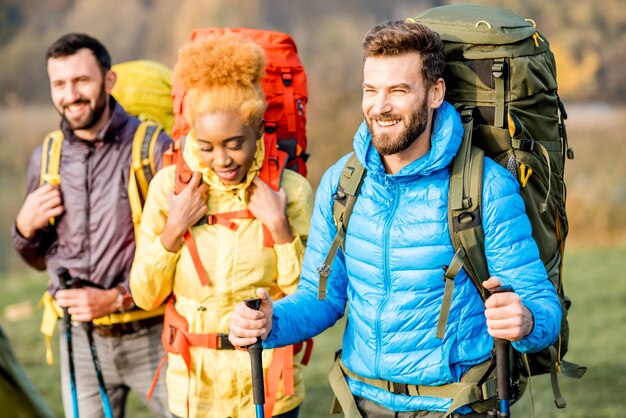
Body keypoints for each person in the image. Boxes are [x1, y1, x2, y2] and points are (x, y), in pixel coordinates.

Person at [229, 20, 562, 417]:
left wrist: (524, 320)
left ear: (435, 92)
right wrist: (269, 323)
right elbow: (322, 297)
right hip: (360, 402)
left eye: (398, 91)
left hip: (454, 405)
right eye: (371, 90)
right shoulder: (343, 182)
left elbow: (543, 305)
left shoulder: (485, 186)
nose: (380, 106)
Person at [129, 33, 314, 418]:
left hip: (267, 386)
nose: (221, 160)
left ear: (257, 130)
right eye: (206, 146)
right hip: (194, 393)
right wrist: (173, 229)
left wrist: (280, 228)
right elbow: (144, 295)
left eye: (234, 144)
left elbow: (310, 300)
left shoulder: (289, 190)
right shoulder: (171, 188)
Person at [11, 33, 171, 417]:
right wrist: (24, 228)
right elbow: (38, 258)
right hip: (80, 342)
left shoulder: (151, 148)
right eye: (59, 84)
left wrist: (117, 297)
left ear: (108, 80)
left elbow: (180, 248)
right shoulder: (46, 155)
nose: (71, 95)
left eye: (82, 80)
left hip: (156, 335)